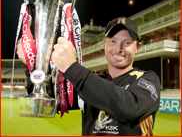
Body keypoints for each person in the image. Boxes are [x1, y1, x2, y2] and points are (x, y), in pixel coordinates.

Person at [17, 17, 160, 136]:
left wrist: (71, 67)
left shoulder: (147, 79)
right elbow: (47, 104)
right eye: (113, 41)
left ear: (138, 47)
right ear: (104, 44)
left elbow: (130, 108)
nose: (118, 49)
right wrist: (35, 65)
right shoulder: (91, 81)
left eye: (127, 42)